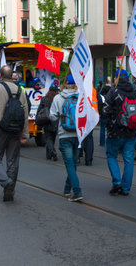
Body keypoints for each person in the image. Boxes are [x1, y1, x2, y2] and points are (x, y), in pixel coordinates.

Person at [0, 66, 29, 202]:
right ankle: (9, 191)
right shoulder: (21, 90)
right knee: (13, 161)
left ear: (0, 76)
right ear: (13, 76)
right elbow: (25, 114)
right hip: (16, 130)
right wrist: (25, 134)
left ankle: (6, 182)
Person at [104, 69, 136, 196]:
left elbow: (106, 109)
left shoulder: (113, 92)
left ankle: (116, 181)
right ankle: (126, 188)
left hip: (115, 132)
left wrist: (108, 123)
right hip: (131, 131)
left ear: (117, 78)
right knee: (129, 160)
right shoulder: (134, 92)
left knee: (111, 155)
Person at [50, 74, 83, 202]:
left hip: (64, 134)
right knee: (73, 164)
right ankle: (66, 189)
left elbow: (52, 116)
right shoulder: (81, 97)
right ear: (75, 85)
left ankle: (77, 191)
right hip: (78, 135)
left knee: (70, 164)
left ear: (65, 84)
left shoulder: (58, 98)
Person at [37, 86, 60, 161]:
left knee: (48, 138)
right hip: (55, 120)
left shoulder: (44, 99)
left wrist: (37, 120)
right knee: (52, 138)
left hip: (46, 120)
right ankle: (49, 154)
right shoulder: (57, 99)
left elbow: (40, 109)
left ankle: (51, 152)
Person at [98, 78, 111, 146]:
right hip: (109, 114)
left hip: (103, 114)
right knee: (109, 129)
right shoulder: (112, 94)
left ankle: (102, 142)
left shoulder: (102, 97)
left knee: (102, 128)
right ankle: (109, 142)